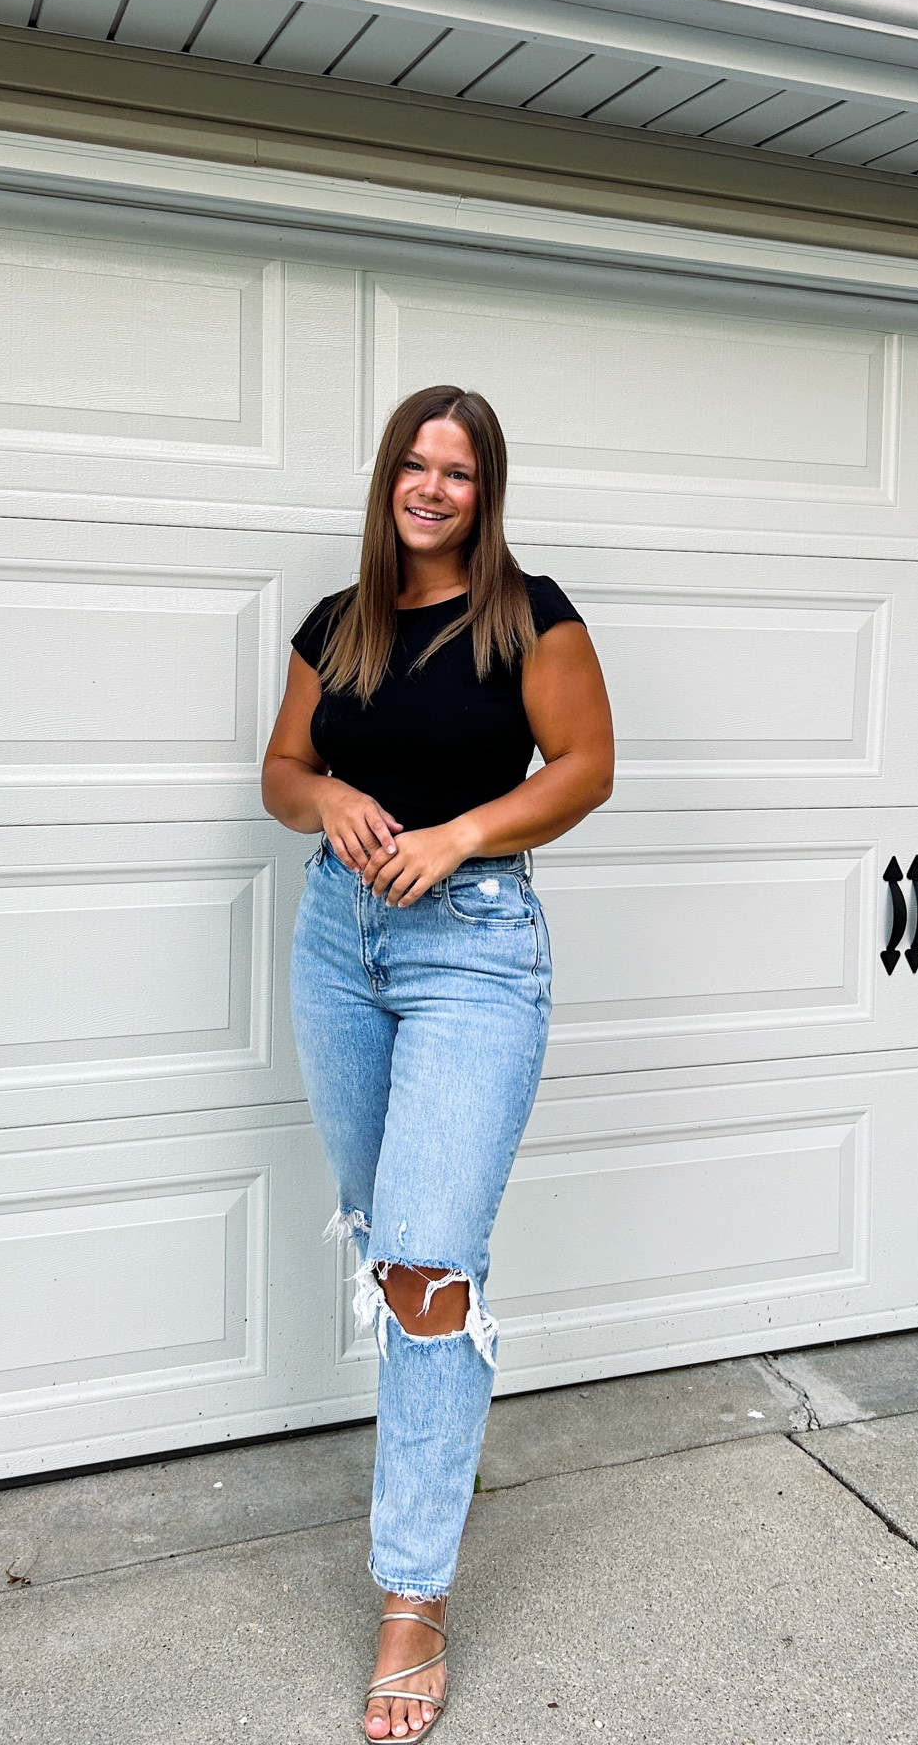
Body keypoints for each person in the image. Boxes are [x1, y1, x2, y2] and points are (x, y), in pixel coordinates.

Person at [261, 383, 614, 1739]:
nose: (430, 487)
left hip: (472, 947)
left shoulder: (530, 615)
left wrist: (458, 835)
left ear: (487, 489)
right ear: (387, 479)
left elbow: (585, 766)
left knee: (426, 1266)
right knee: (388, 1235)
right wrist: (334, 797)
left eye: (456, 471)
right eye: (413, 463)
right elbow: (282, 769)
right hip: (338, 946)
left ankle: (413, 1592)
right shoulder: (337, 624)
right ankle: (428, 1483)